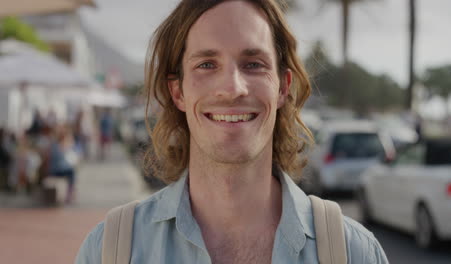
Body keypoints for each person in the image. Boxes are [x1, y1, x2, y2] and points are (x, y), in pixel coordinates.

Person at [76, 0, 389, 263]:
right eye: (207, 65)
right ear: (178, 93)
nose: (232, 88)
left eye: (253, 64)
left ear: (283, 87)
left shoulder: (353, 252)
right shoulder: (111, 250)